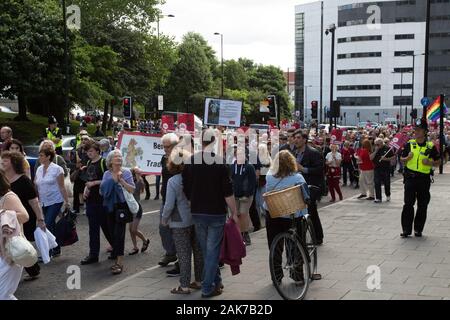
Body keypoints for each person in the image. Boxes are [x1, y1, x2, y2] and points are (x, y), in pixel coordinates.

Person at [182, 129, 239, 298]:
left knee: (208, 250)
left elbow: (185, 187)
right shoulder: (221, 163)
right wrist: (234, 212)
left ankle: (217, 282)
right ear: (214, 142)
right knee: (212, 250)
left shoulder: (191, 162)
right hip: (216, 212)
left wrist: (192, 201)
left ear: (201, 141)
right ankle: (207, 287)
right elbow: (228, 192)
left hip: (198, 211)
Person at [263, 150, 310, 284]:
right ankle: (297, 276)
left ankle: (276, 277)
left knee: (274, 245)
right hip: (292, 214)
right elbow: (305, 196)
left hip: (274, 213)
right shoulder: (298, 178)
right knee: (295, 244)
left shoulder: (269, 176)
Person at [162, 149, 203, 294]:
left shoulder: (173, 181)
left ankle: (184, 286)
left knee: (184, 254)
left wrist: (164, 219)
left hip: (179, 221)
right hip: (196, 218)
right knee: (198, 251)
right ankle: (199, 281)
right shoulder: (195, 177)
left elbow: (169, 205)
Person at [1, 151, 45, 281]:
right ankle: (30, 267)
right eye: (2, 159)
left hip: (22, 217)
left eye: (5, 160)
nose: (2, 162)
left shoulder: (24, 180)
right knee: (15, 244)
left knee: (20, 243)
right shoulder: (3, 179)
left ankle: (30, 266)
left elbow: (34, 201)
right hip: (7, 221)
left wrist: (40, 218)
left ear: (14, 163)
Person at [400, 118, 440, 238]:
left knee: (422, 205)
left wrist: (429, 163)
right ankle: (406, 229)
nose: (416, 132)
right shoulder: (409, 144)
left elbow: (439, 162)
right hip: (410, 179)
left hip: (424, 180)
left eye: (418, 130)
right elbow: (402, 160)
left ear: (425, 131)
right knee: (408, 204)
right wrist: (406, 159)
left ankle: (418, 229)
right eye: (415, 129)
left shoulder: (430, 146)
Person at [100, 150, 135, 275]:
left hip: (122, 207)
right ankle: (116, 252)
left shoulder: (126, 172)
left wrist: (121, 181)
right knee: (111, 233)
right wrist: (112, 180)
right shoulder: (106, 174)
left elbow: (131, 189)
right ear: (110, 160)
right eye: (116, 156)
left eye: (120, 156)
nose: (119, 158)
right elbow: (102, 191)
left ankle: (119, 262)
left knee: (119, 234)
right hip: (109, 206)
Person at [80, 141, 113, 265]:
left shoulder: (104, 162)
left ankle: (116, 247)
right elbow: (88, 179)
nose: (89, 153)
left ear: (98, 151)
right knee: (93, 229)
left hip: (102, 200)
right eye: (88, 152)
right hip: (91, 200)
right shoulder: (88, 163)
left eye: (91, 151)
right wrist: (86, 189)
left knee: (106, 226)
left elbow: (110, 179)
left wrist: (94, 183)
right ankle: (93, 255)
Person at [34, 145, 70, 258]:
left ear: (48, 157)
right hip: (43, 201)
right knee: (51, 225)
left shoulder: (57, 169)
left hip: (55, 200)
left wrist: (67, 201)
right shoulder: (39, 169)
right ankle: (56, 247)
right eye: (39, 155)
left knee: (47, 224)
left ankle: (48, 251)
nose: (39, 157)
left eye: (41, 156)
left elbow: (62, 187)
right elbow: (36, 184)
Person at [0, 170, 29, 300]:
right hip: (2, 252)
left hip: (10, 252)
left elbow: (24, 216)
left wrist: (4, 214)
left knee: (3, 295)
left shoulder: (9, 197)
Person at [293, 130, 325, 245]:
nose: (295, 140)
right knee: (305, 212)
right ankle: (306, 236)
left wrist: (303, 169)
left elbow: (319, 169)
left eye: (298, 138)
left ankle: (318, 237)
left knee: (311, 211)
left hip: (311, 186)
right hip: (298, 186)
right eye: (294, 138)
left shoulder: (313, 152)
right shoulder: (294, 153)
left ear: (304, 140)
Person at [158, 133, 179, 268]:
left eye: (168, 147)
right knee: (163, 227)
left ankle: (181, 259)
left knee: (178, 230)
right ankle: (170, 252)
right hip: (166, 197)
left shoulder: (180, 158)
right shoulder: (163, 158)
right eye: (164, 147)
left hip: (178, 200)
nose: (165, 149)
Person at [229, 144, 257, 246]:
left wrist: (247, 194)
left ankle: (245, 234)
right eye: (237, 154)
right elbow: (229, 180)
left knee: (243, 214)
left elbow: (253, 182)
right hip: (234, 195)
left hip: (246, 196)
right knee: (236, 215)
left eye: (241, 154)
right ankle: (238, 235)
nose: (239, 156)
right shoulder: (232, 167)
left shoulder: (249, 167)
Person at [128, 168, 150, 255]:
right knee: (130, 229)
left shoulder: (139, 182)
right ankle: (135, 247)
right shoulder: (130, 181)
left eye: (139, 172)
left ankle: (145, 240)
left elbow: (139, 190)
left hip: (137, 208)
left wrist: (138, 176)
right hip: (130, 208)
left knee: (134, 229)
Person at [371, 138, 395, 203]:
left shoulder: (388, 148)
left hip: (386, 169)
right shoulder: (374, 149)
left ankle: (388, 195)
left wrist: (386, 159)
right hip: (377, 169)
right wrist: (375, 151)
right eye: (375, 144)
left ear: (381, 143)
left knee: (387, 183)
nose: (376, 145)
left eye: (378, 144)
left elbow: (393, 157)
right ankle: (378, 198)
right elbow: (370, 158)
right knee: (377, 183)